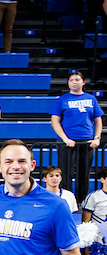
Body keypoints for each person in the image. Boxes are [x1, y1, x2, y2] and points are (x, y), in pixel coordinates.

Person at [50, 71, 102, 206]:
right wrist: (65, 139)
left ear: (83, 82)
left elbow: (98, 120)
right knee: (65, 173)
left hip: (87, 142)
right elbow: (55, 121)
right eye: (71, 80)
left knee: (83, 173)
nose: (74, 82)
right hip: (67, 143)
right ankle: (67, 202)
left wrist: (97, 138)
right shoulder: (62, 99)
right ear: (68, 83)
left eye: (77, 79)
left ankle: (81, 202)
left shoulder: (91, 99)